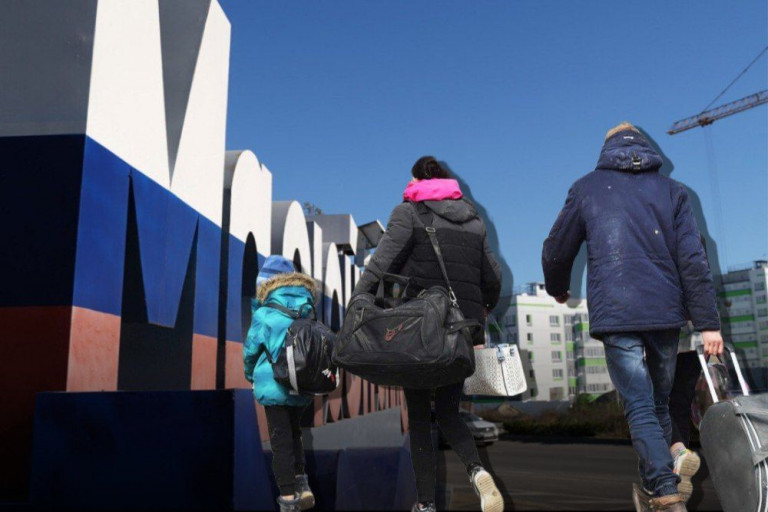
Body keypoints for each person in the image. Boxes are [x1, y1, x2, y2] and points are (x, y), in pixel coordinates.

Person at [541, 122, 724, 512]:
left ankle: (663, 489)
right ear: (647, 148)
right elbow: (694, 259)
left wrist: (557, 286)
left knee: (640, 404)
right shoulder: (674, 192)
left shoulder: (586, 188)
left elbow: (557, 248)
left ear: (606, 150)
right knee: (657, 402)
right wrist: (707, 322)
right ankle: (666, 469)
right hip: (665, 313)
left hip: (617, 312)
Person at [352, 156, 504, 512]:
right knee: (449, 412)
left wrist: (357, 301)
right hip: (461, 332)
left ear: (417, 180)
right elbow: (493, 277)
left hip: (420, 331)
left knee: (420, 416)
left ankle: (425, 504)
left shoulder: (408, 213)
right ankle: (477, 469)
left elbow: (381, 263)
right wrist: (484, 308)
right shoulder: (474, 220)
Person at [243, 255, 317, 512]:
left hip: (274, 385)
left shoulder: (264, 314)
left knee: (280, 441)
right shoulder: (308, 307)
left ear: (265, 284)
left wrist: (250, 375)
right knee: (295, 433)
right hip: (300, 383)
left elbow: (251, 351)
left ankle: (287, 499)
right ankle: (302, 484)